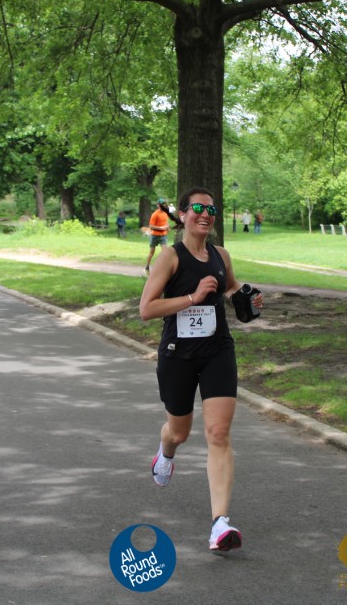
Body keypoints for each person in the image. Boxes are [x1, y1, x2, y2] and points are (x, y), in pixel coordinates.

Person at [139, 187, 264, 552]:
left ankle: (219, 524)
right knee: (179, 432)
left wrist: (247, 297)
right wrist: (192, 297)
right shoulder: (169, 257)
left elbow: (230, 287)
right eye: (198, 208)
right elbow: (147, 309)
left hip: (217, 351)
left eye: (211, 210)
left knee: (218, 432)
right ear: (182, 214)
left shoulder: (221, 255)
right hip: (178, 354)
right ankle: (166, 451)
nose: (206, 214)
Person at [143, 199, 171, 276]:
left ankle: (164, 269)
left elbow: (166, 223)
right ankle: (147, 267)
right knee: (152, 252)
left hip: (163, 236)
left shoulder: (165, 213)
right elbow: (151, 226)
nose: (162, 205)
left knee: (165, 252)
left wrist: (168, 228)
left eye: (163, 204)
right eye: (160, 204)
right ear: (157, 205)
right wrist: (161, 228)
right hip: (155, 235)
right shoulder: (155, 214)